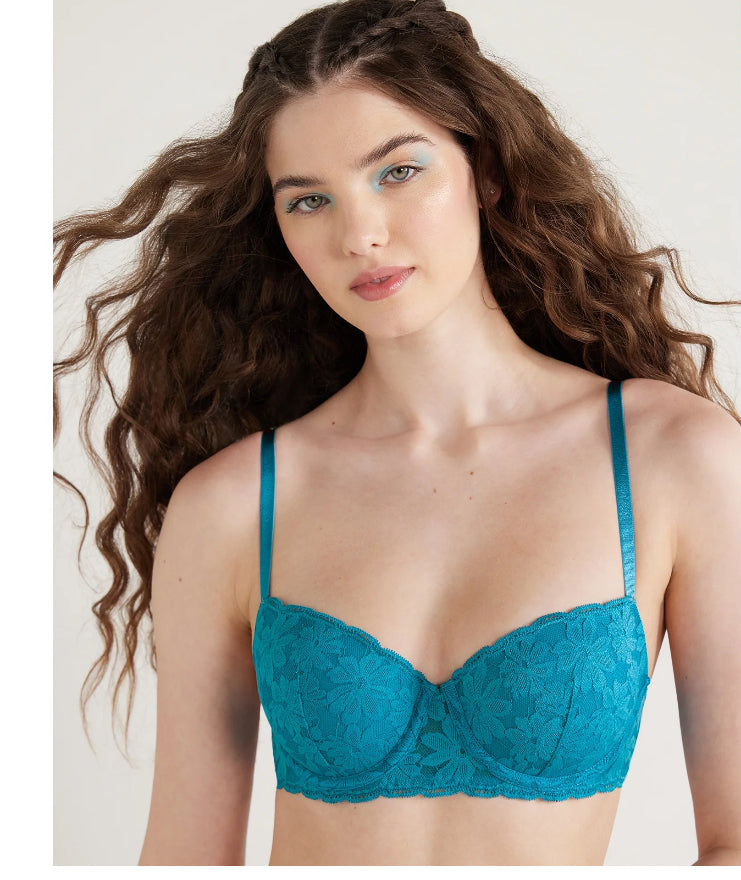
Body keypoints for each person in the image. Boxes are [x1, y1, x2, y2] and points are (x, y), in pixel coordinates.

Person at [53, 0, 741, 867]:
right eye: (309, 200)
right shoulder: (233, 504)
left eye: (397, 172)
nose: (360, 235)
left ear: (485, 170)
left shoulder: (671, 459)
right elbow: (184, 856)